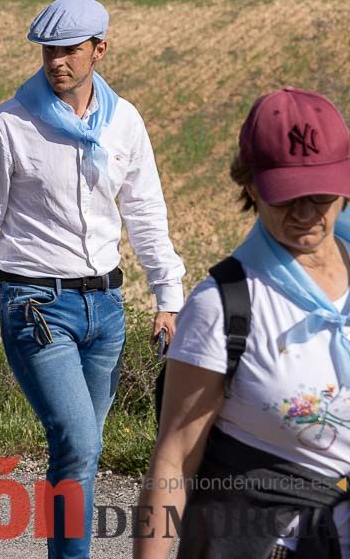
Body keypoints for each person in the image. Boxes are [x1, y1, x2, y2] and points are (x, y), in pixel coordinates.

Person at [0, 0, 185, 559]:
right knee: (78, 442)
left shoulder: (124, 121)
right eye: (48, 50)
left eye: (69, 50)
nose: (56, 60)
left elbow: (146, 211)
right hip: (35, 304)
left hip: (105, 306)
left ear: (99, 50)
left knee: (82, 450)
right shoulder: (12, 123)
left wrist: (168, 294)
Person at [136, 87, 350, 559]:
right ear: (251, 187)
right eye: (286, 197)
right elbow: (174, 459)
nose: (305, 213)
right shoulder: (224, 305)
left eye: (320, 194)